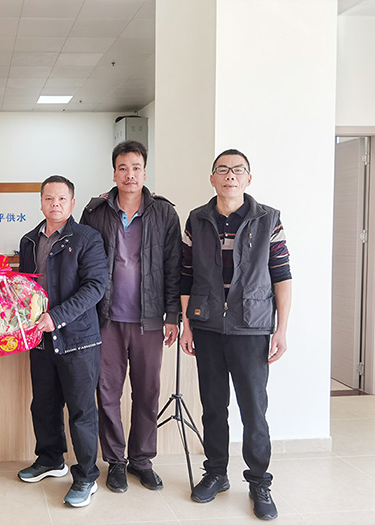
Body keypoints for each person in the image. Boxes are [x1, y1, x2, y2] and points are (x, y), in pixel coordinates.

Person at [179, 149, 292, 521]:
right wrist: (187, 324)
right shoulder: (197, 219)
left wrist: (281, 329)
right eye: (223, 170)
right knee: (213, 407)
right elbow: (185, 275)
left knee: (253, 410)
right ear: (212, 178)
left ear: (248, 178)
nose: (230, 175)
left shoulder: (268, 219)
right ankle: (216, 473)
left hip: (251, 327)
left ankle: (259, 481)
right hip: (208, 325)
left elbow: (282, 275)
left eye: (238, 170)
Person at [80, 140, 181, 493]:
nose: (129, 174)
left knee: (147, 391)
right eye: (123, 168)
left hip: (149, 319)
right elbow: (84, 265)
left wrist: (172, 315)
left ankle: (142, 460)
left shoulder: (164, 213)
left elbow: (173, 267)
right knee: (107, 392)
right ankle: (116, 462)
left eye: (136, 168)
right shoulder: (95, 212)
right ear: (114, 173)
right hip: (105, 319)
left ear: (145, 172)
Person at [17, 175, 108, 508]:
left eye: (61, 199)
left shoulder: (87, 238)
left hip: (78, 339)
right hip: (39, 339)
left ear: (72, 203)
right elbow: (26, 288)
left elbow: (95, 286)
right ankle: (50, 459)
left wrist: (56, 316)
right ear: (41, 202)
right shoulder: (29, 240)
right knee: (43, 405)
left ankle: (86, 476)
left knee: (81, 410)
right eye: (48, 198)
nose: (54, 204)